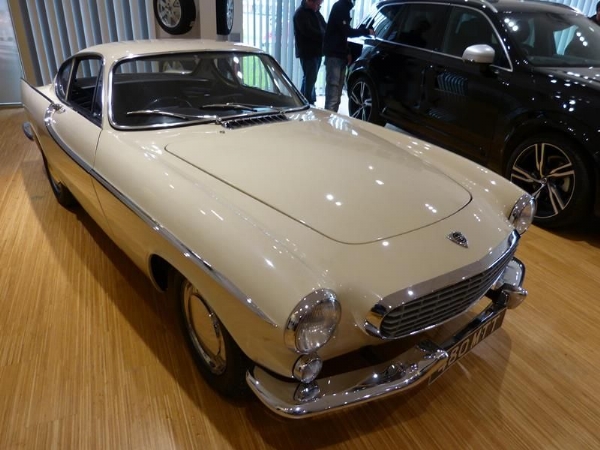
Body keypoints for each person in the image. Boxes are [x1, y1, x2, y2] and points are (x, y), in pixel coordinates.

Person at [322, 0, 373, 112]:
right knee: (333, 94)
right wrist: (366, 31)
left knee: (336, 94)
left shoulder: (344, 7)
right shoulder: (340, 7)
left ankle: (331, 118)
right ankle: (328, 119)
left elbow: (342, 34)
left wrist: (347, 51)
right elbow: (346, 31)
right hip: (334, 55)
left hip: (339, 54)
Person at [293, 0, 327, 105]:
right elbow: (309, 32)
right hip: (307, 52)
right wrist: (324, 35)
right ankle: (307, 102)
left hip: (317, 51)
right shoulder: (300, 14)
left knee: (310, 78)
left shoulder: (315, 12)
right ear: (311, 2)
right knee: (310, 78)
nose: (318, 7)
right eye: (317, 4)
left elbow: (324, 26)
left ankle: (304, 101)